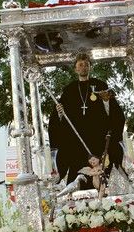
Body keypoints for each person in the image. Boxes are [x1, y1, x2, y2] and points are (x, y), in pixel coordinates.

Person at [48, 52, 125, 183]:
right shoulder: (69, 90)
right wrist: (60, 113)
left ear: (90, 67)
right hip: (77, 143)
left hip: (99, 140)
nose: (84, 67)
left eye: (86, 65)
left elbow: (115, 113)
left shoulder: (100, 85)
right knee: (77, 175)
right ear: (76, 68)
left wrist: (106, 102)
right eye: (80, 65)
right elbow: (58, 119)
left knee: (105, 173)